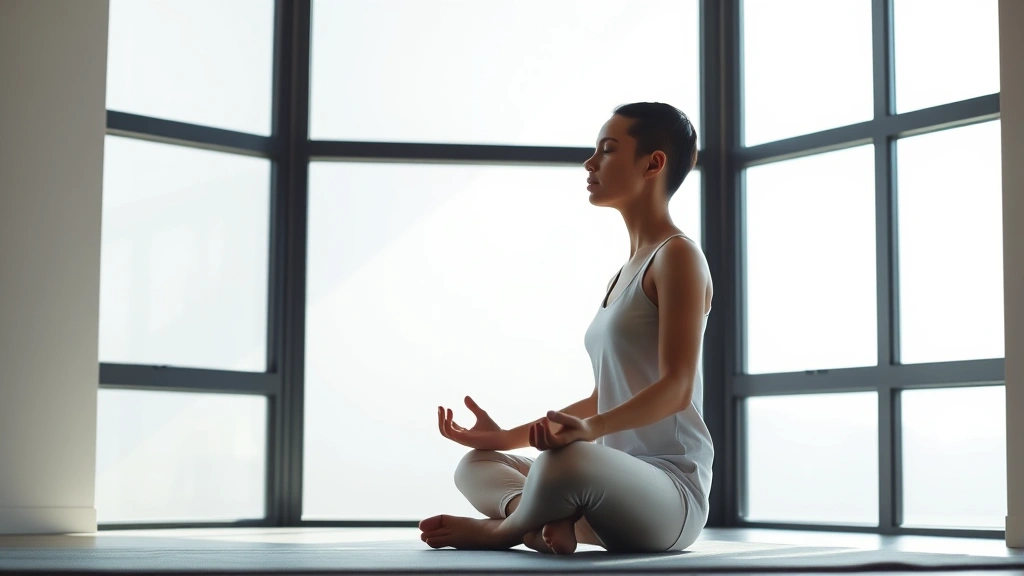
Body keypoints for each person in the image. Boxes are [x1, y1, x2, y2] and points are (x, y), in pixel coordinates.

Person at [418, 102, 714, 554]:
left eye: (608, 150)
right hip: (604, 487)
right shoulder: (622, 273)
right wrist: (501, 438)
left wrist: (589, 431)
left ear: (653, 163)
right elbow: (603, 398)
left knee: (566, 462)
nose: (589, 163)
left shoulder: (678, 257)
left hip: (670, 498)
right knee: (475, 463)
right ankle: (540, 519)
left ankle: (505, 531)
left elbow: (676, 388)